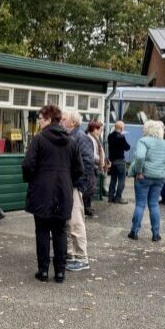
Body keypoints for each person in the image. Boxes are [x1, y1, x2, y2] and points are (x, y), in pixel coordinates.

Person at [22, 105, 82, 283]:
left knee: (42, 230)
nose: (39, 121)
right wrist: (68, 180)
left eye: (41, 118)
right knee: (60, 231)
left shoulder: (39, 139)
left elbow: (27, 165)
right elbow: (80, 169)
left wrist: (33, 179)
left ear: (48, 119)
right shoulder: (71, 141)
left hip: (42, 191)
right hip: (63, 191)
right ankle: (60, 272)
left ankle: (43, 271)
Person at [127, 120, 165, 242]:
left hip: (143, 176)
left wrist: (139, 171)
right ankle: (156, 234)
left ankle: (134, 231)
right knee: (154, 204)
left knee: (140, 204)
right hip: (159, 177)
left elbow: (140, 156)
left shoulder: (143, 141)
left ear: (147, 130)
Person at [60, 109, 94, 271]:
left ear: (73, 122)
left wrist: (79, 186)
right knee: (67, 222)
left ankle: (82, 258)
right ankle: (70, 254)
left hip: (75, 186)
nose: (60, 121)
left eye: (64, 119)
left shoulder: (81, 138)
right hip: (68, 186)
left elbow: (87, 165)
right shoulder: (69, 137)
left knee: (76, 222)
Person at [86, 120, 109, 207]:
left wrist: (105, 160)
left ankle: (88, 208)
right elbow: (93, 154)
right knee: (90, 189)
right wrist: (102, 161)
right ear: (95, 129)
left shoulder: (95, 138)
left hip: (95, 166)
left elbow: (100, 151)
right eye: (101, 130)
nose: (101, 132)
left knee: (91, 189)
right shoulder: (91, 139)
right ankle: (87, 208)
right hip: (92, 167)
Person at [107, 121, 130, 204]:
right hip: (120, 161)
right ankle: (118, 197)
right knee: (121, 180)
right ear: (121, 128)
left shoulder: (110, 136)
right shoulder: (121, 137)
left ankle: (110, 197)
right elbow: (127, 147)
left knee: (113, 179)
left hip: (112, 161)